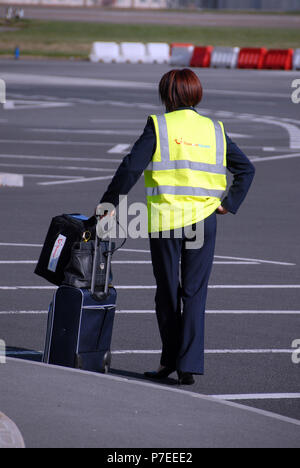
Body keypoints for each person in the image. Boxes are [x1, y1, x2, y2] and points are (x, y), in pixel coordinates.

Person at [97, 68, 255, 385]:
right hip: (203, 221)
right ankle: (188, 365)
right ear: (195, 94)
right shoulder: (215, 129)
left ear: (167, 95)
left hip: (167, 222)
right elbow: (246, 169)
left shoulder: (160, 126)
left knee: (167, 292)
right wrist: (228, 202)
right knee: (195, 293)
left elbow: (131, 167)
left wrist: (109, 205)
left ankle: (169, 359)